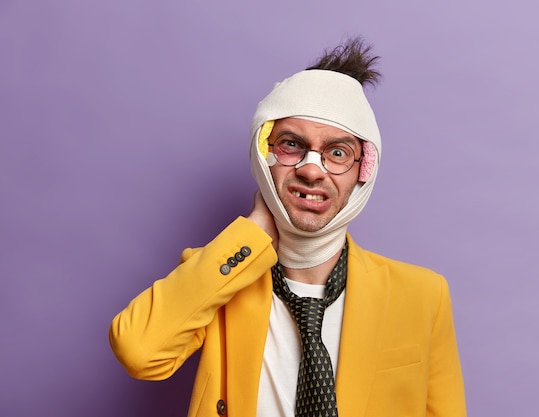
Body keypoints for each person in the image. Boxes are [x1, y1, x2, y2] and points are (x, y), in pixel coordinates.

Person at [109, 37, 466, 417]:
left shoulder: (423, 295)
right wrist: (255, 231)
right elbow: (139, 352)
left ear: (364, 171)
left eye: (338, 152)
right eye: (292, 145)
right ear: (263, 154)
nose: (312, 169)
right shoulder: (217, 275)